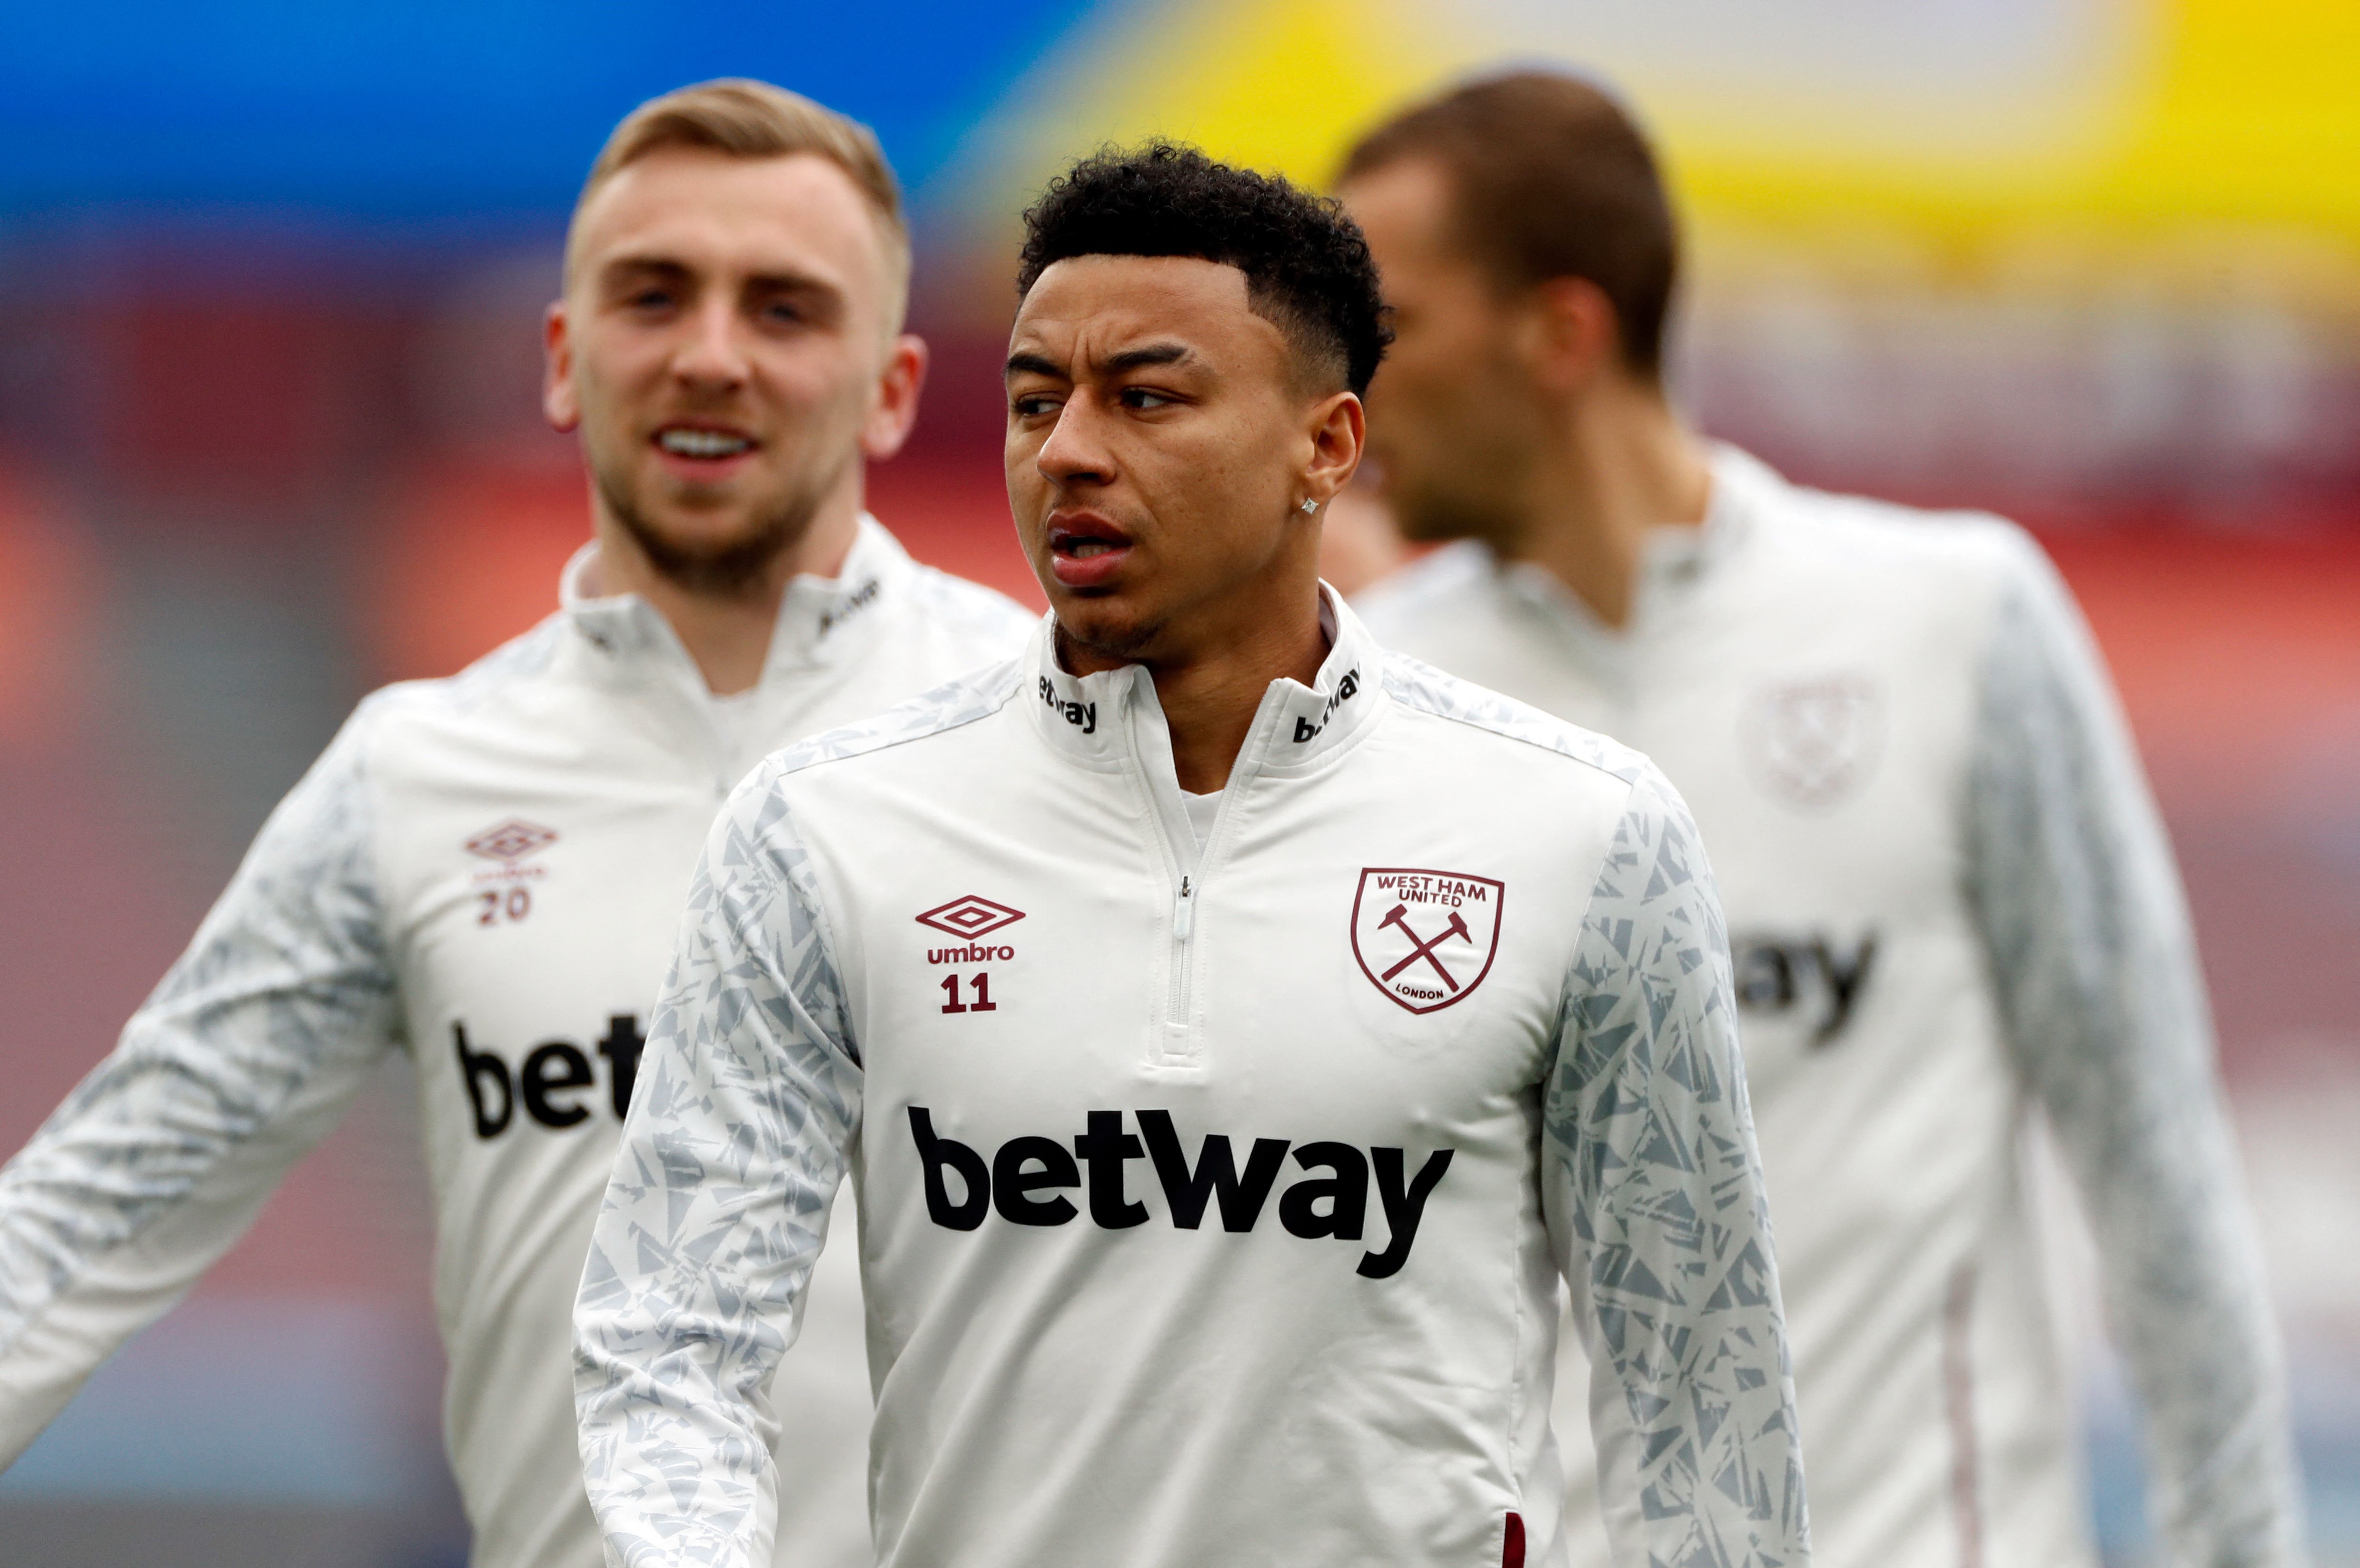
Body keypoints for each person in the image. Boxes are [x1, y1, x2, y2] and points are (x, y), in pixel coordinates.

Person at [574, 141, 1808, 1568]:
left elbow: (1703, 1399)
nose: (1071, 452)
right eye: (1037, 402)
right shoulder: (825, 832)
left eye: (1146, 397)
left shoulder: (1584, 831)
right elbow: (670, 1336)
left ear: (1327, 445)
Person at [0, 80, 1034, 1568]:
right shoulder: (415, 777)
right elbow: (93, 1219)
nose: (712, 356)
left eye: (788, 308)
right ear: (562, 359)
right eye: (652, 295)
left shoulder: (1077, 743)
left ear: (892, 383)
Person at [1335, 71, 2307, 1568]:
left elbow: (2155, 1153)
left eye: (1389, 325)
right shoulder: (1378, 690)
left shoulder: (1952, 621)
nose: (1346, 383)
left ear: (1563, 335)